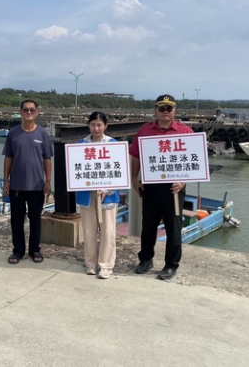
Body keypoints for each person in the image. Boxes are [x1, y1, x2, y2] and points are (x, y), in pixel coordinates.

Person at [129, 94, 194, 281]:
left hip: (174, 188)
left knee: (173, 228)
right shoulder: (145, 130)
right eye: (161, 108)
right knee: (148, 225)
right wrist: (134, 178)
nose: (165, 112)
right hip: (151, 186)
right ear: (155, 110)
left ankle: (171, 265)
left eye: (169, 108)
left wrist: (183, 182)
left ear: (175, 110)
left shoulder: (185, 131)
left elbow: (193, 161)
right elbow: (136, 156)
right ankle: (146, 259)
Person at [1, 99, 53, 265]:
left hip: (36, 185)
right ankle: (18, 250)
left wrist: (48, 180)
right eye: (26, 110)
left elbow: (47, 158)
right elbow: (8, 158)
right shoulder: (13, 133)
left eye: (32, 110)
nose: (29, 112)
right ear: (21, 112)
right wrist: (6, 181)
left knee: (35, 219)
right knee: (16, 220)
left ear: (37, 112)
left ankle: (35, 249)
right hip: (16, 185)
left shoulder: (43, 134)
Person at [75, 111, 121, 279]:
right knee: (89, 231)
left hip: (107, 196)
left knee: (108, 231)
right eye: (93, 124)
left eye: (99, 125)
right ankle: (90, 263)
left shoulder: (113, 144)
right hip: (87, 195)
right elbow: (76, 172)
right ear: (89, 125)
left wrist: (106, 189)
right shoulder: (81, 145)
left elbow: (118, 172)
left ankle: (106, 265)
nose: (96, 128)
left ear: (105, 126)